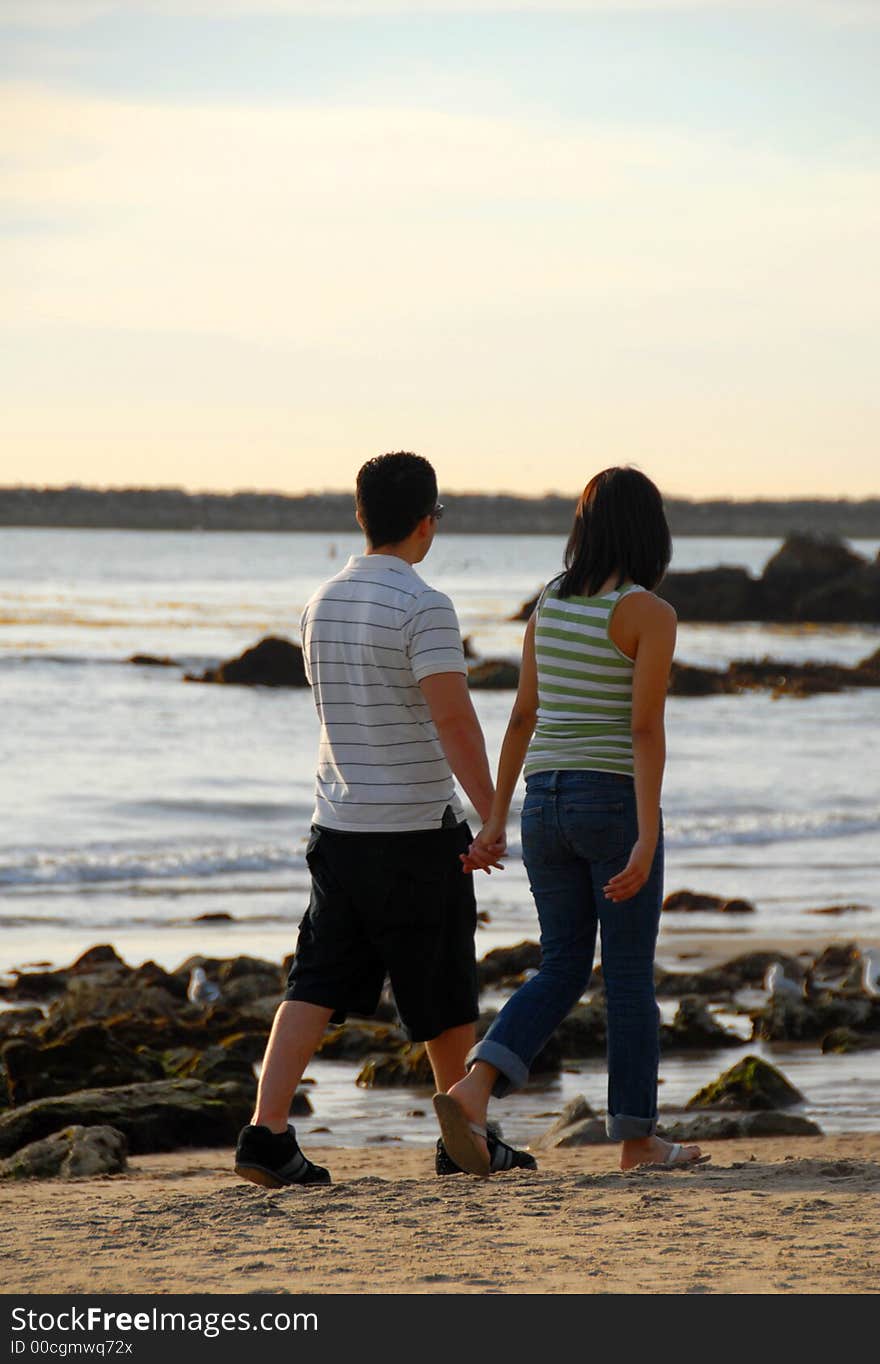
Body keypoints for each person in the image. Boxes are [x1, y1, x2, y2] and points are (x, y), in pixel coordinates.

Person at [234, 451, 534, 1186]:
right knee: (443, 987)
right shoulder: (424, 604)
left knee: (316, 980)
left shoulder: (318, 603)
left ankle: (265, 1132)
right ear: (428, 522)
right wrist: (492, 815)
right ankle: (463, 1130)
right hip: (413, 830)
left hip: (337, 827)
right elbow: (454, 723)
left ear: (361, 517)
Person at [433, 466, 710, 1176]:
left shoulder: (549, 605)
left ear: (583, 529)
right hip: (610, 802)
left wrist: (495, 819)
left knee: (559, 965)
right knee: (626, 979)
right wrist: (647, 836)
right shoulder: (649, 613)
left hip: (543, 803)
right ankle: (639, 1142)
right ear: (652, 533)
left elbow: (522, 717)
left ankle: (471, 1089)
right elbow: (644, 730)